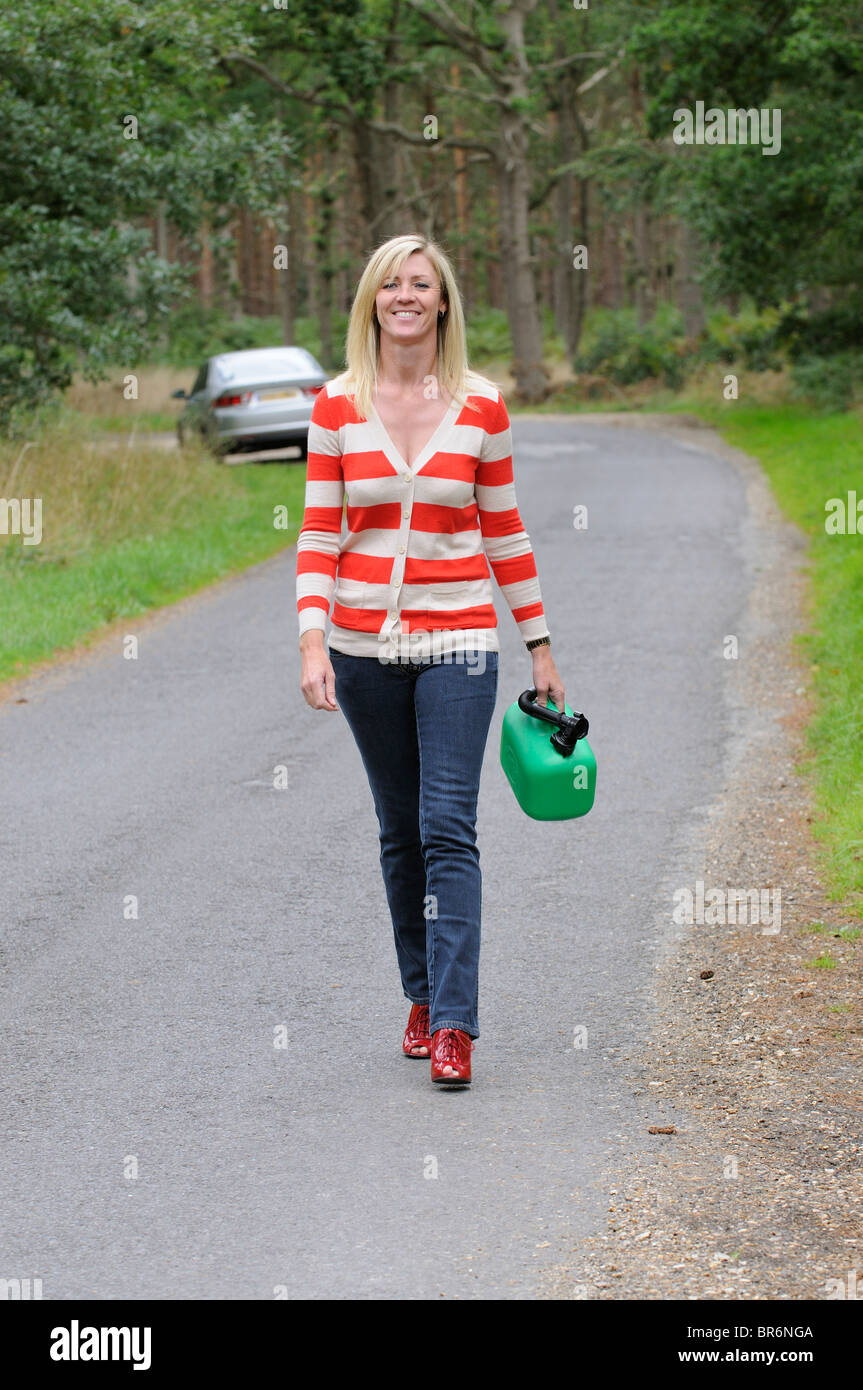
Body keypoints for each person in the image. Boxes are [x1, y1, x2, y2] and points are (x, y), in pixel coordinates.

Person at [296, 233, 565, 1086]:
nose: (404, 296)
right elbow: (319, 533)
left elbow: (504, 530)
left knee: (448, 827)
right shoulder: (336, 406)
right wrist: (312, 639)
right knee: (400, 832)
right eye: (390, 284)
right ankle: (419, 993)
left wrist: (539, 644)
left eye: (420, 283)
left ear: (443, 302)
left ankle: (453, 1023)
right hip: (362, 649)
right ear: (371, 301)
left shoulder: (481, 405)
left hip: (459, 645)